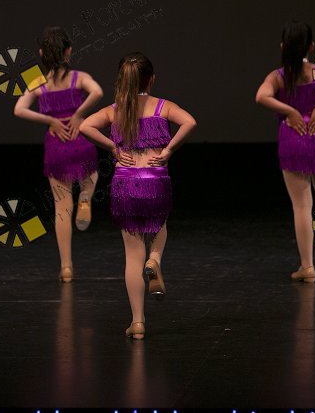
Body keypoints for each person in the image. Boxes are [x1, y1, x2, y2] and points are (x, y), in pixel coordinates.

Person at [80, 52, 196, 339]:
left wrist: (112, 148)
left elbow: (84, 126)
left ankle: (138, 322)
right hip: (156, 179)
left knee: (132, 255)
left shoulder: (115, 110)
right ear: (151, 79)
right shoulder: (163, 106)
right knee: (159, 225)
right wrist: (169, 150)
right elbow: (190, 122)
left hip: (126, 182)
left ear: (123, 80)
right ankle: (155, 259)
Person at [255, 21, 315, 282]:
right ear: (311, 46)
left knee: (301, 204)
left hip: (293, 136)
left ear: (282, 46)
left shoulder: (278, 77)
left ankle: (307, 267)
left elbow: (261, 97)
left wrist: (290, 111)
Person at [14, 26, 103, 282]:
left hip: (56, 145)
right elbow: (97, 91)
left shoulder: (38, 82)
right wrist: (78, 114)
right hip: (79, 139)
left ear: (42, 54)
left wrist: (50, 120)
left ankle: (66, 267)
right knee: (92, 174)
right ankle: (85, 196)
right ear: (69, 51)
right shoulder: (78, 77)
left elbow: (19, 109)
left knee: (62, 207)